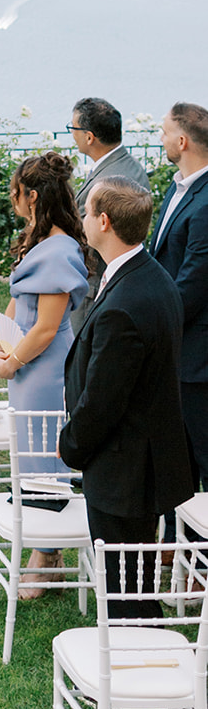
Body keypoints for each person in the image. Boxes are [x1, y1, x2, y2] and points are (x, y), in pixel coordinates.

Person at [60, 179, 193, 709]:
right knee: (135, 588)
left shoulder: (126, 306)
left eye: (87, 212)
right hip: (148, 460)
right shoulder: (152, 276)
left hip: (123, 470)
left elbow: (101, 404)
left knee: (126, 593)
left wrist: (69, 448)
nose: (83, 219)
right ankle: (143, 691)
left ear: (105, 223)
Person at [0, 152, 89, 592]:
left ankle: (46, 551)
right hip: (28, 359)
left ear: (30, 195)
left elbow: (47, 327)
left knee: (45, 453)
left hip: (46, 368)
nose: (10, 198)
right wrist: (3, 336)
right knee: (28, 451)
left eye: (14, 191)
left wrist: (14, 360)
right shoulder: (38, 236)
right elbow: (20, 298)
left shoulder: (61, 249)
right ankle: (38, 542)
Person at [149, 102, 208, 491]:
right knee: (175, 456)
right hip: (175, 348)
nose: (161, 138)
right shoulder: (177, 186)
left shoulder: (205, 204)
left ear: (182, 141)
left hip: (197, 355)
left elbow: (193, 283)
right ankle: (174, 541)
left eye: (165, 132)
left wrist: (149, 323)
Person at [68, 98, 150, 334]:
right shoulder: (128, 165)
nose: (72, 135)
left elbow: (82, 233)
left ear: (89, 137)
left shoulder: (109, 180)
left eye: (73, 129)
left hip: (98, 286)